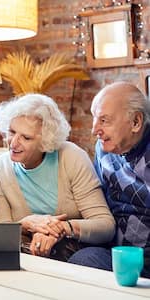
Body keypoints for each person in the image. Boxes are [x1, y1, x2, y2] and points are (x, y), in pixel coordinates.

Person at [0, 93, 115, 261]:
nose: (13, 143)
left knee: (85, 260)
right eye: (12, 132)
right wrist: (25, 224)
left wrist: (62, 228)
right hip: (27, 253)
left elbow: (105, 225)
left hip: (75, 250)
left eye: (26, 137)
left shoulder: (71, 157)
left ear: (45, 141)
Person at [68, 81, 150, 278]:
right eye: (95, 119)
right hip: (116, 253)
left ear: (136, 122)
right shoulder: (104, 149)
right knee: (81, 261)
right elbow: (96, 202)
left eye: (104, 121)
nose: (95, 130)